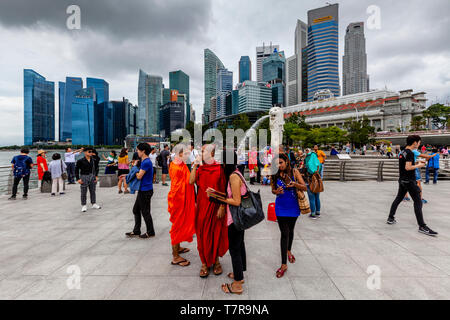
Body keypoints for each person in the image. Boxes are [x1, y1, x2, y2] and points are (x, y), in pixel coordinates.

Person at [189, 144, 228, 278]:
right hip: (202, 206)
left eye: (203, 151)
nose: (201, 153)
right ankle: (204, 263)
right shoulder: (200, 169)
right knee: (202, 235)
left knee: (215, 233)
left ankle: (216, 261)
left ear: (211, 154)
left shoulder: (219, 169)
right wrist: (195, 165)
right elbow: (191, 181)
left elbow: (224, 189)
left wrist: (222, 207)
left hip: (216, 206)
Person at [387, 135, 438, 236]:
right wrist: (419, 165)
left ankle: (391, 218)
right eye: (419, 142)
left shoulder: (403, 152)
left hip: (402, 180)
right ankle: (422, 226)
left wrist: (417, 163)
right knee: (418, 201)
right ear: (415, 142)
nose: (419, 144)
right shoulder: (410, 153)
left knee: (398, 198)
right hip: (409, 181)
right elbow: (408, 167)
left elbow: (405, 165)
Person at [215, 149, 247, 295]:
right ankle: (239, 274)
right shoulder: (237, 172)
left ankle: (237, 285)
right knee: (239, 246)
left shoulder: (234, 177)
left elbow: (236, 200)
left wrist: (219, 199)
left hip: (235, 219)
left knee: (234, 249)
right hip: (238, 218)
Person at [271, 153, 307, 278]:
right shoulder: (274, 174)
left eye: (280, 162)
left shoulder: (294, 171)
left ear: (286, 161)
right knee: (284, 234)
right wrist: (277, 191)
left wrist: (294, 184)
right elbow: (272, 190)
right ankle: (283, 264)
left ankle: (288, 250)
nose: (279, 165)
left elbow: (305, 187)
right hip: (280, 207)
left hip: (294, 207)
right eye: (276, 164)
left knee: (291, 230)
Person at [167, 144, 196, 267]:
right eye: (186, 153)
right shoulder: (178, 167)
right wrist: (196, 166)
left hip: (178, 199)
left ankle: (178, 248)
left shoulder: (177, 163)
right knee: (176, 227)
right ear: (179, 154)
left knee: (178, 225)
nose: (188, 155)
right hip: (178, 201)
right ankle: (175, 257)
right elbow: (190, 181)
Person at [126, 143, 155, 239]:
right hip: (143, 190)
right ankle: (136, 230)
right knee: (136, 210)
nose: (137, 151)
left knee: (145, 212)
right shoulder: (144, 161)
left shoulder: (146, 162)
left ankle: (150, 232)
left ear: (143, 151)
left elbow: (139, 176)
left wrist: (134, 167)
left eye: (138, 150)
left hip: (145, 190)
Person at [75, 147, 101, 213]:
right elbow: (76, 170)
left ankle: (94, 203)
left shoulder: (93, 160)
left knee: (93, 191)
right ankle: (84, 205)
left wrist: (96, 176)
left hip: (92, 176)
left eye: (91, 152)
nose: (90, 153)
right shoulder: (80, 161)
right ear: (85, 152)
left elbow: (97, 168)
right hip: (84, 176)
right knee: (83, 191)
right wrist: (78, 179)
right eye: (89, 152)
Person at [304, 149, 322, 219]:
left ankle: (313, 214)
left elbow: (307, 167)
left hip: (310, 179)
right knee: (317, 197)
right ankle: (318, 212)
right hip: (317, 179)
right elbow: (319, 167)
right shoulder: (316, 157)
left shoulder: (308, 157)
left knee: (312, 197)